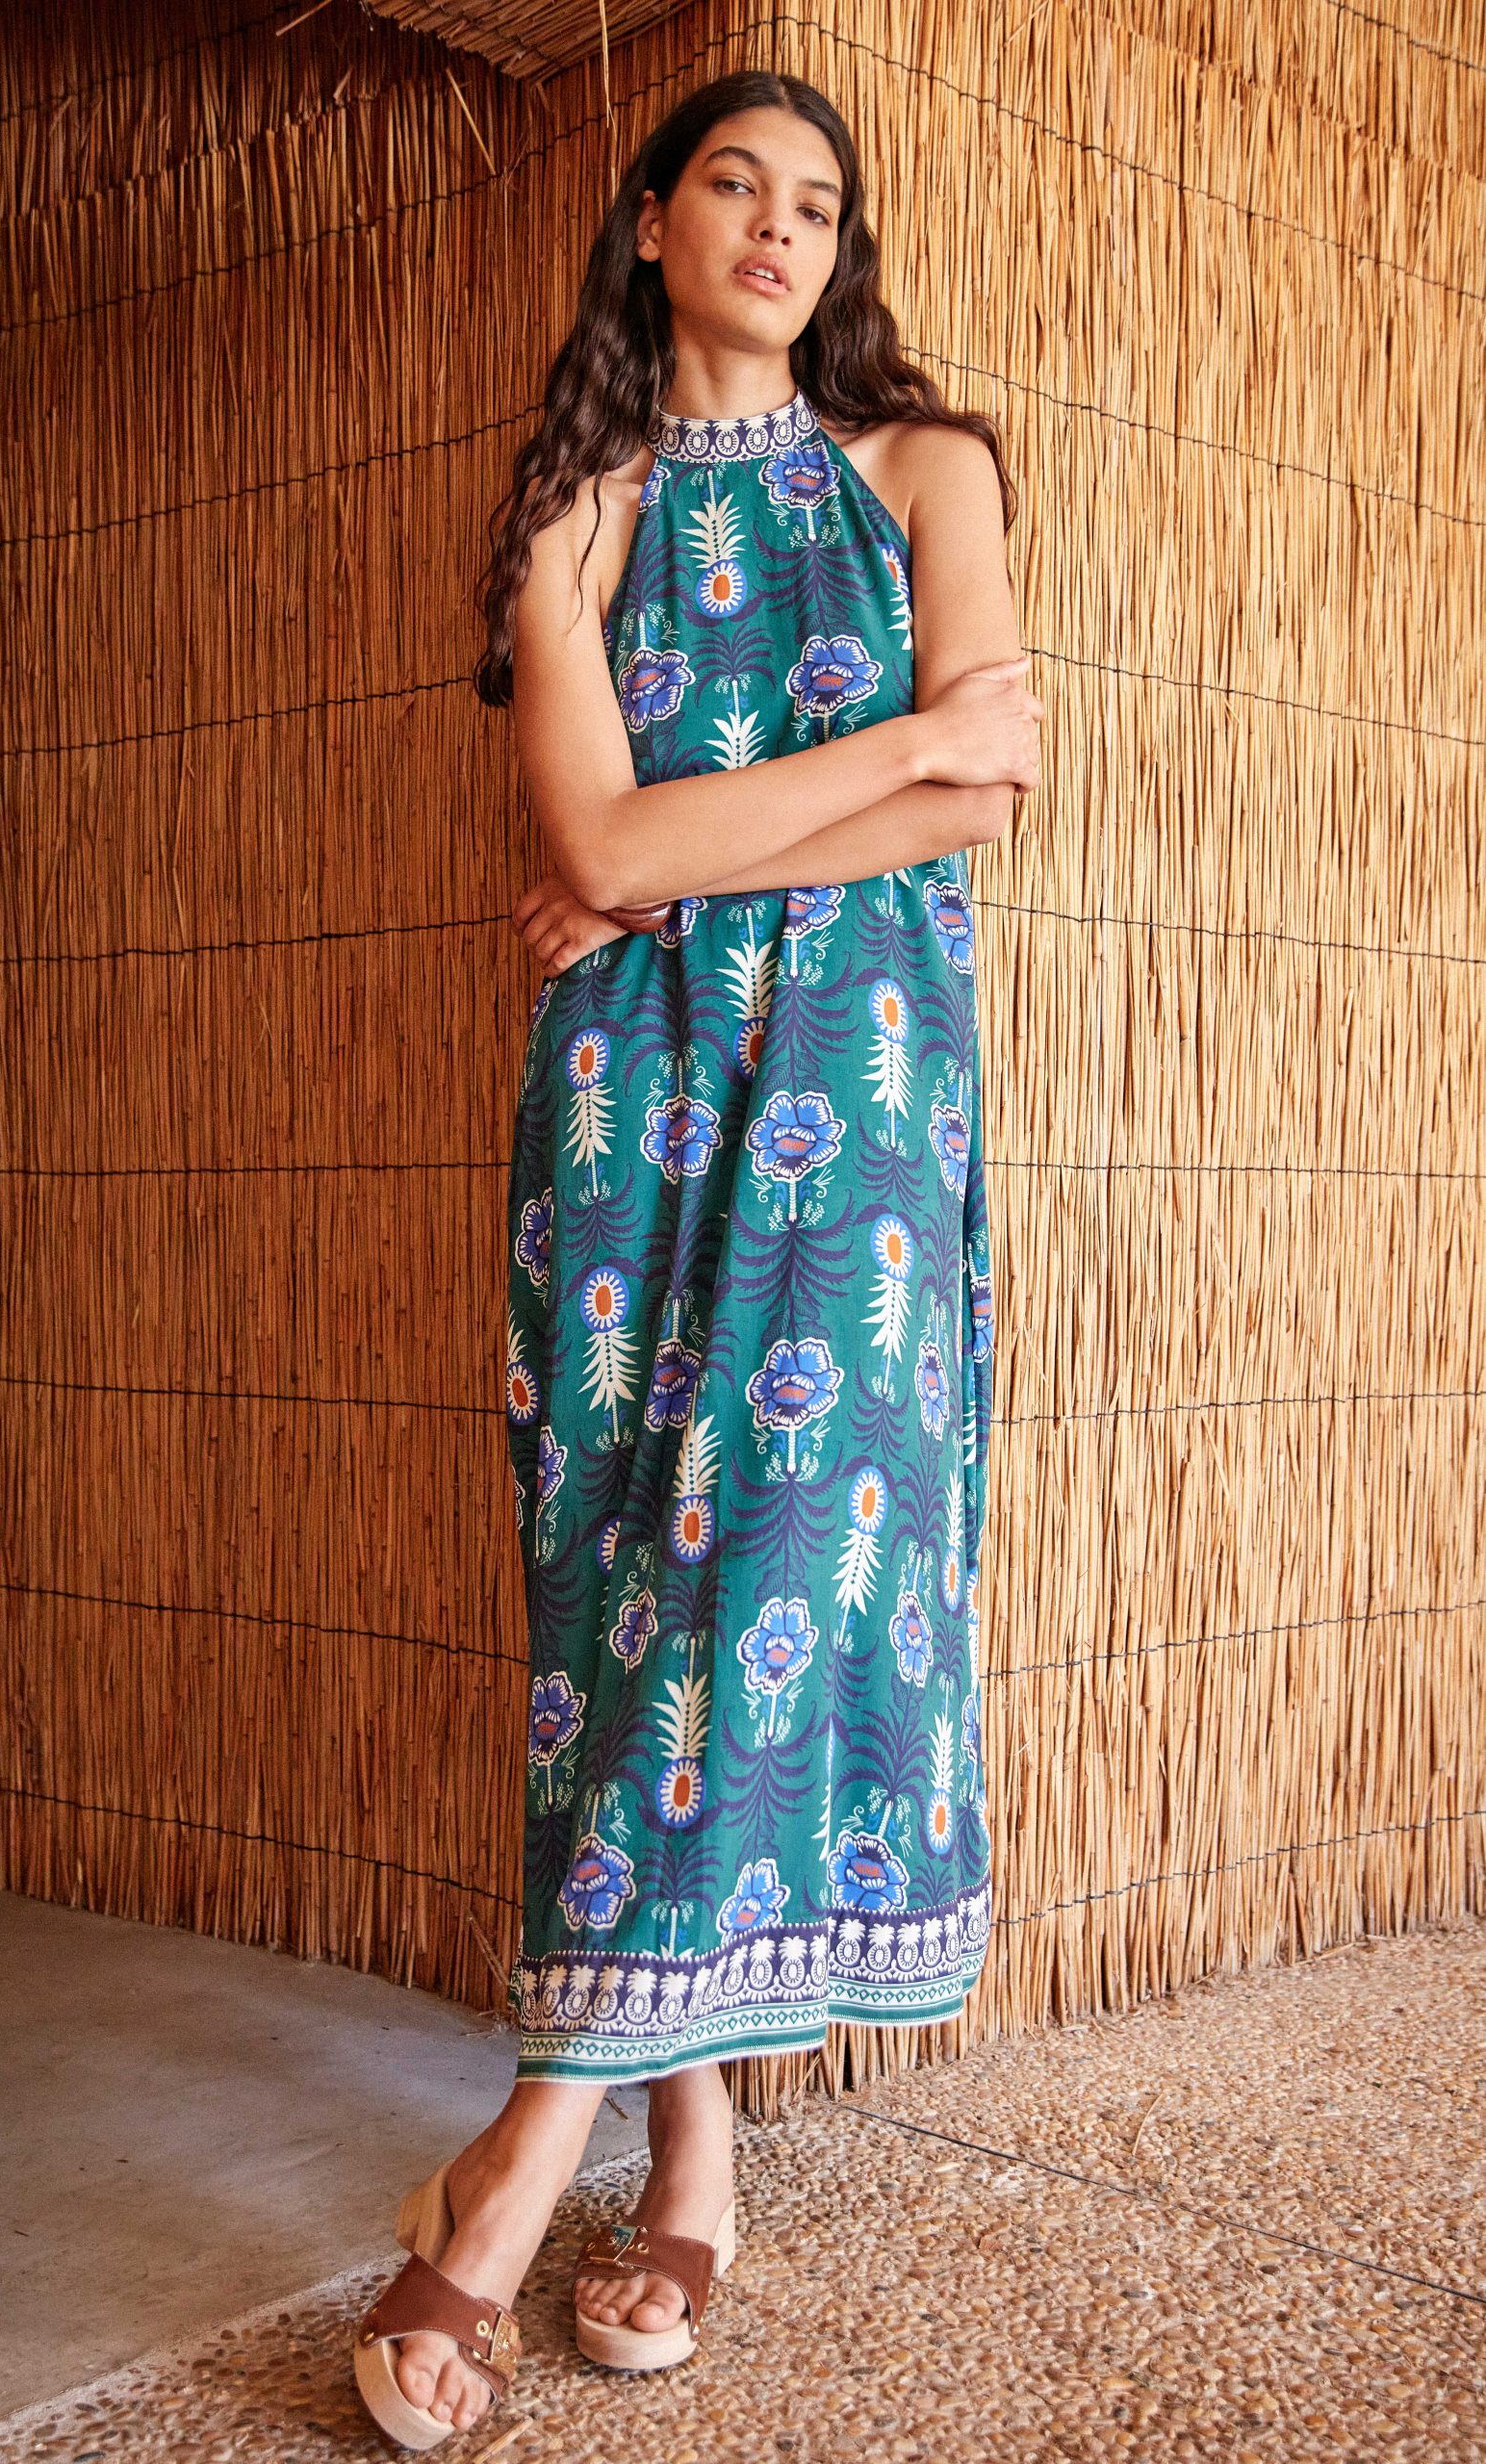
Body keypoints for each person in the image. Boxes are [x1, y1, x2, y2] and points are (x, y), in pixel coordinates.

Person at [351, 66, 1040, 2450]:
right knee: (621, 1597)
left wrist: (669, 847)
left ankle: (510, 2171)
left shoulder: (923, 471)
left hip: (859, 1092)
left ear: (840, 254)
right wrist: (848, 778)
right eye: (733, 183)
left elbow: (978, 792)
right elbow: (598, 836)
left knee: (761, 1562)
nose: (775, 224)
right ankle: (696, 2157)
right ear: (652, 222)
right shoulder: (578, 510)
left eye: (815, 202)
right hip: (623, 1112)